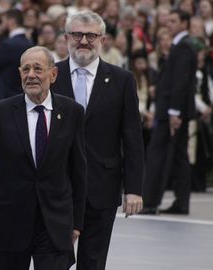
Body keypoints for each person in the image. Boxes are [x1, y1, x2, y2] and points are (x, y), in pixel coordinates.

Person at [0, 46, 86, 270]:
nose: (31, 75)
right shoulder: (0, 112)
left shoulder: (72, 112)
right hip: (9, 223)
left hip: (54, 224)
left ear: (53, 75)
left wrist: (77, 224)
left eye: (38, 69)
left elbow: (79, 171)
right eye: (26, 69)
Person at [51, 11, 144, 270]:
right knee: (54, 258)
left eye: (91, 35)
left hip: (102, 184)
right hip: (56, 186)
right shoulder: (50, 76)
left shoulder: (122, 80)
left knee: (93, 261)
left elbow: (132, 136)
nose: (84, 41)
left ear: (102, 40)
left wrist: (134, 188)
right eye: (78, 35)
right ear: (67, 37)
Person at [142, 9, 197, 215]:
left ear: (184, 23)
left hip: (171, 113)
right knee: (180, 158)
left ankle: (149, 202)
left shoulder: (182, 47)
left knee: (157, 154)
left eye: (174, 21)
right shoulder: (181, 46)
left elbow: (180, 82)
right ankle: (182, 203)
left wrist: (174, 112)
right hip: (174, 111)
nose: (169, 24)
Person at [0, 8, 33, 108]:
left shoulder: (7, 44)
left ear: (11, 21)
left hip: (3, 99)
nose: (1, 25)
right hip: (21, 98)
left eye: (2, 21)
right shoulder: (30, 43)